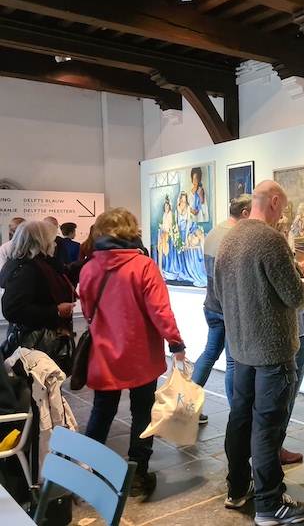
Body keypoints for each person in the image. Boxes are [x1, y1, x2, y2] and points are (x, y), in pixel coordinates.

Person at [215, 180, 304, 525]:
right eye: (283, 209)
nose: (282, 216)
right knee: (267, 427)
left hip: (241, 347)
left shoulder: (230, 238)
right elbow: (295, 297)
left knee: (240, 418)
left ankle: (237, 489)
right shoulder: (270, 240)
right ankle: (270, 504)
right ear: (274, 202)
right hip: (272, 350)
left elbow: (217, 295)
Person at [79, 208, 186, 498]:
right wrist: (175, 342)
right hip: (140, 354)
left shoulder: (89, 268)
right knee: (142, 411)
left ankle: (89, 471)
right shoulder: (143, 266)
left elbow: (87, 311)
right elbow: (160, 311)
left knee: (102, 411)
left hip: (104, 353)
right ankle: (138, 473)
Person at [192, 194, 252, 423]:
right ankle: (238, 416)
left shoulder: (214, 232)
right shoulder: (234, 237)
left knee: (209, 354)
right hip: (228, 308)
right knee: (232, 362)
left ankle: (187, 408)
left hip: (211, 304)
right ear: (245, 213)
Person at [0, 221, 76, 372]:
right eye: (52, 240)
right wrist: (56, 311)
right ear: (41, 242)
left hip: (36, 342)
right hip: (34, 345)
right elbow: (13, 310)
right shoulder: (28, 270)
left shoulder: (37, 265)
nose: (55, 244)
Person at [276, 217, 304, 466]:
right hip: (297, 333)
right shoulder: (284, 263)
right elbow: (300, 304)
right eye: (283, 232)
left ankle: (271, 447)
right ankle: (275, 448)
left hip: (286, 333)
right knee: (287, 396)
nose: (287, 236)